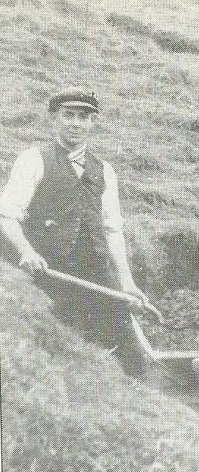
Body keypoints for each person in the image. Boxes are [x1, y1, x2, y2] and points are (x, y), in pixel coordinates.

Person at [0, 87, 148, 376]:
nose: (76, 124)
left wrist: (126, 282)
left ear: (92, 123)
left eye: (83, 117)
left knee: (125, 344)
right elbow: (7, 214)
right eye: (68, 115)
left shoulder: (104, 170)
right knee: (54, 341)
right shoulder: (35, 158)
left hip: (90, 268)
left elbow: (111, 229)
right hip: (45, 270)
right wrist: (27, 251)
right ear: (54, 118)